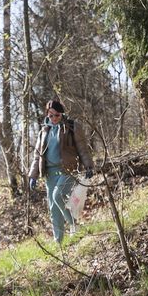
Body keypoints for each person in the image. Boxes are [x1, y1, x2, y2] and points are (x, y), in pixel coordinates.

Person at [27, 100, 94, 244]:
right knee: (53, 208)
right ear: (47, 115)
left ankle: (73, 224)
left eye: (57, 115)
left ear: (61, 113)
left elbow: (82, 148)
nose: (54, 118)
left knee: (58, 197)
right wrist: (33, 176)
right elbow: (37, 156)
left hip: (68, 170)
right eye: (51, 116)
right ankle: (59, 242)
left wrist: (89, 166)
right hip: (50, 173)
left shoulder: (72, 127)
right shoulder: (43, 132)